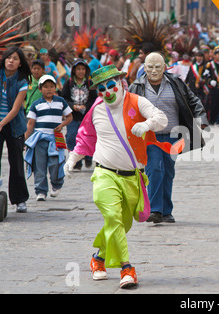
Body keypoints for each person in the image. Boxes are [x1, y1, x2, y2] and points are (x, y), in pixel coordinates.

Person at [64, 65, 169, 289]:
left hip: (132, 178)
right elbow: (86, 137)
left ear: (121, 84)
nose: (108, 92)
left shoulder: (137, 101)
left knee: (121, 224)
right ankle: (126, 268)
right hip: (104, 174)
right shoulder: (97, 109)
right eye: (102, 89)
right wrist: (72, 158)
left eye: (111, 86)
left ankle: (99, 259)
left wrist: (146, 123)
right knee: (112, 216)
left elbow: (162, 119)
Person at [129, 52, 208, 224]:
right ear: (144, 68)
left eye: (158, 66)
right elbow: (127, 108)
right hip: (149, 136)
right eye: (150, 67)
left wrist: (201, 120)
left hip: (173, 135)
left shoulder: (175, 82)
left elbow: (193, 100)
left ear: (165, 67)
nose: (154, 70)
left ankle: (166, 211)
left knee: (168, 171)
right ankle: (155, 210)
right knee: (155, 168)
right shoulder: (136, 86)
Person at [24, 75, 73, 201]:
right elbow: (30, 123)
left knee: (56, 163)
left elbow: (69, 117)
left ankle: (56, 185)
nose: (49, 89)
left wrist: (62, 125)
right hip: (39, 139)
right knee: (39, 166)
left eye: (51, 86)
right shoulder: (36, 105)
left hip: (55, 138)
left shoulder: (61, 101)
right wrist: (26, 140)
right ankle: (40, 191)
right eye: (46, 87)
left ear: (55, 88)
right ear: (40, 89)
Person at [0, 47, 31, 213]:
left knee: (17, 162)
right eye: (9, 58)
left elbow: (16, 109)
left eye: (15, 59)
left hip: (14, 125)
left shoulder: (22, 82)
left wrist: (1, 124)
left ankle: (20, 199)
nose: (11, 61)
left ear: (20, 63)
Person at [60, 59, 98, 170]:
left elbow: (94, 99)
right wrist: (72, 106)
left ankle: (88, 156)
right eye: (78, 69)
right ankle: (75, 161)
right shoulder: (69, 83)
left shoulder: (90, 83)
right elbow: (64, 98)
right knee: (72, 137)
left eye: (83, 69)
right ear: (74, 71)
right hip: (73, 116)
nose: (81, 71)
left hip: (87, 116)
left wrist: (86, 106)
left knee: (88, 136)